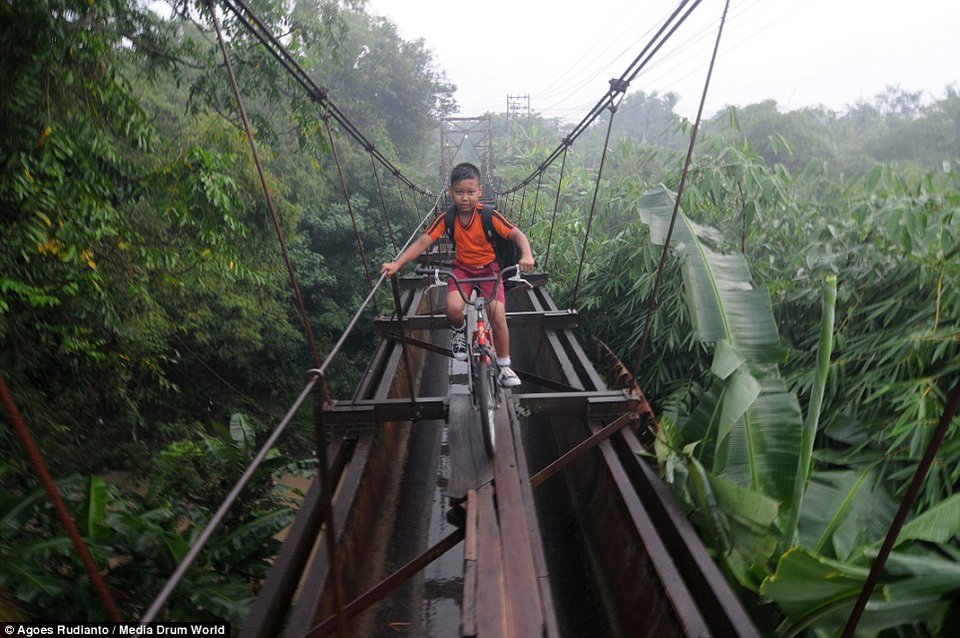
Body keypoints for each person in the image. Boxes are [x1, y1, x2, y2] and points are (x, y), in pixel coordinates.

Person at [381, 162, 534, 387]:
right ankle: (460, 330)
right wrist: (397, 263)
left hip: (490, 270)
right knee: (452, 308)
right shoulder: (447, 219)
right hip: (462, 269)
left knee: (497, 314)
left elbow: (516, 234)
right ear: (450, 191)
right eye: (459, 192)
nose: (465, 198)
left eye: (471, 192)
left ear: (480, 192)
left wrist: (527, 254)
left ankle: (503, 365)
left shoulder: (489, 216)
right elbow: (424, 241)